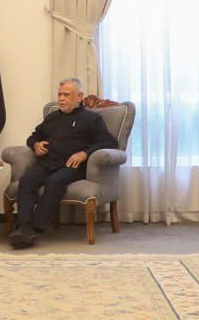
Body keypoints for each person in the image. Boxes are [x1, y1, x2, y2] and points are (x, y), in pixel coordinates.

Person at [10, 78, 118, 249]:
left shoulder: (92, 119)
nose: (61, 98)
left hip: (72, 166)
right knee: (27, 179)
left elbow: (110, 142)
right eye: (60, 94)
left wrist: (84, 153)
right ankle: (23, 227)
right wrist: (36, 144)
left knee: (55, 181)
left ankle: (35, 227)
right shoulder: (52, 118)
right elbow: (33, 136)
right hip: (48, 162)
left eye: (66, 95)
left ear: (79, 96)